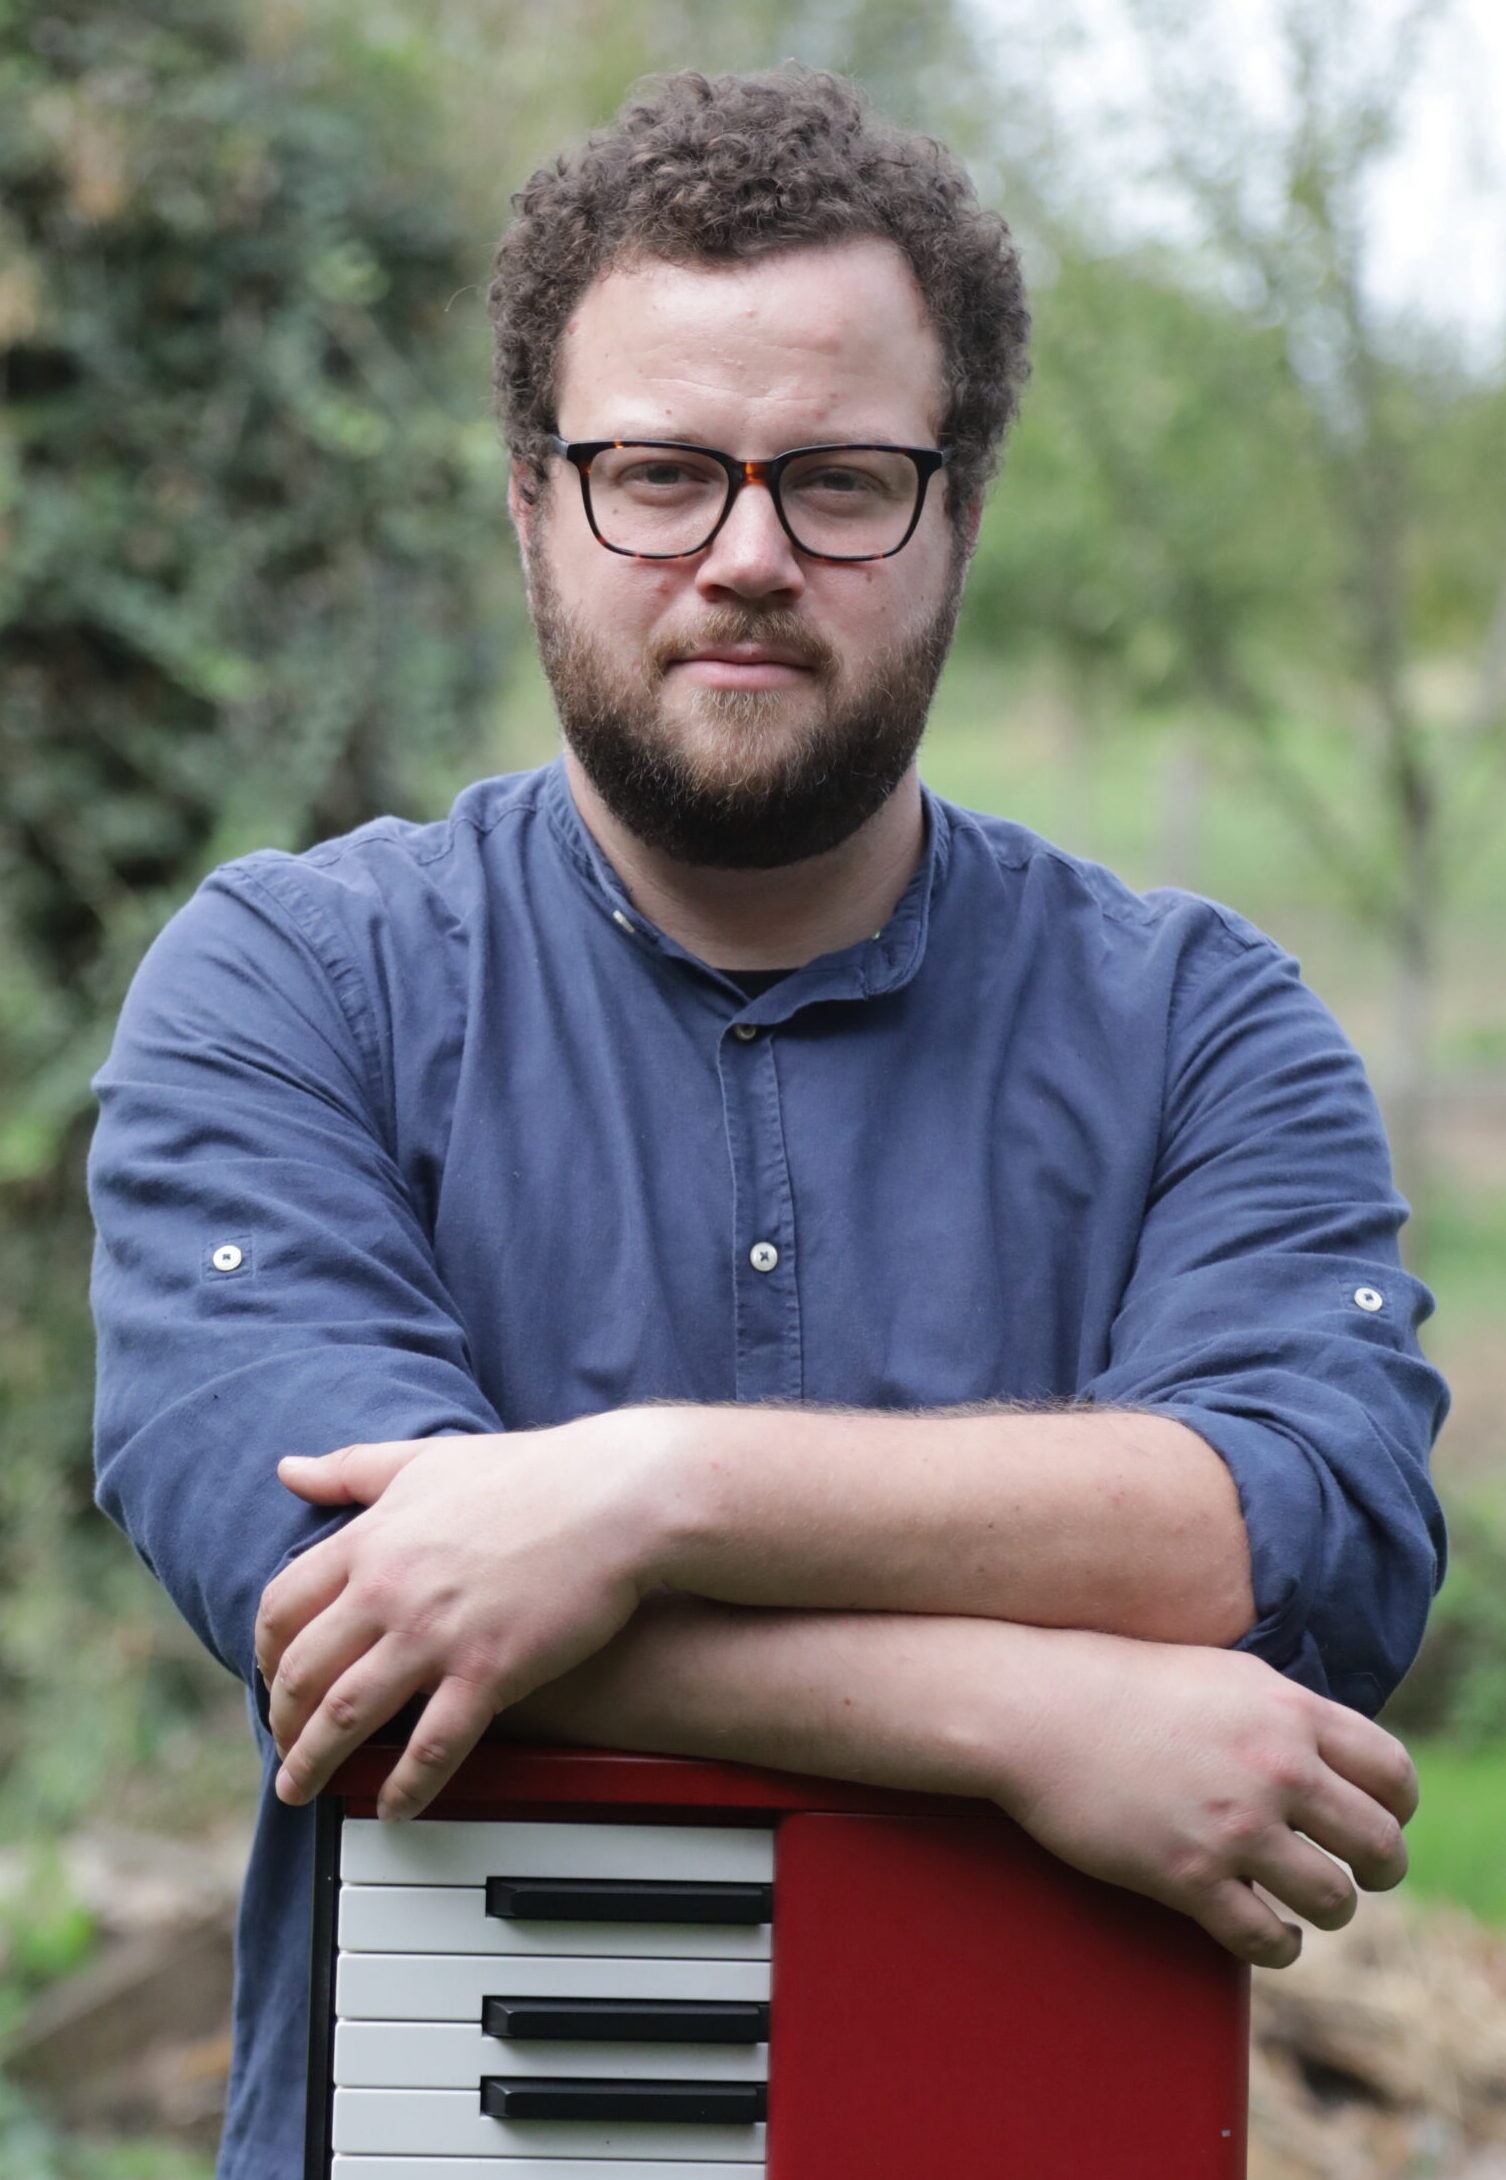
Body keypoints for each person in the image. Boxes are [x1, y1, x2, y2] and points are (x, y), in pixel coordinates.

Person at [89, 66, 1447, 2180]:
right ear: (533, 500)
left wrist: (641, 1493)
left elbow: (1299, 1522)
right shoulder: (293, 985)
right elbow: (345, 1602)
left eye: (838, 481)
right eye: (656, 473)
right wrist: (1026, 1713)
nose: (744, 556)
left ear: (959, 511)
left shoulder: (1201, 1027)